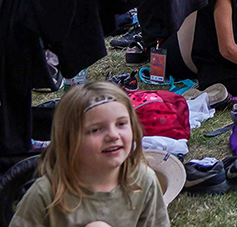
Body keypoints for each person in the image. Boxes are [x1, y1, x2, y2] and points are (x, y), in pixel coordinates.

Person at [10, 82, 170, 227]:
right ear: (69, 140)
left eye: (121, 124)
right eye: (96, 129)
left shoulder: (144, 181)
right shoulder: (45, 194)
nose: (113, 135)